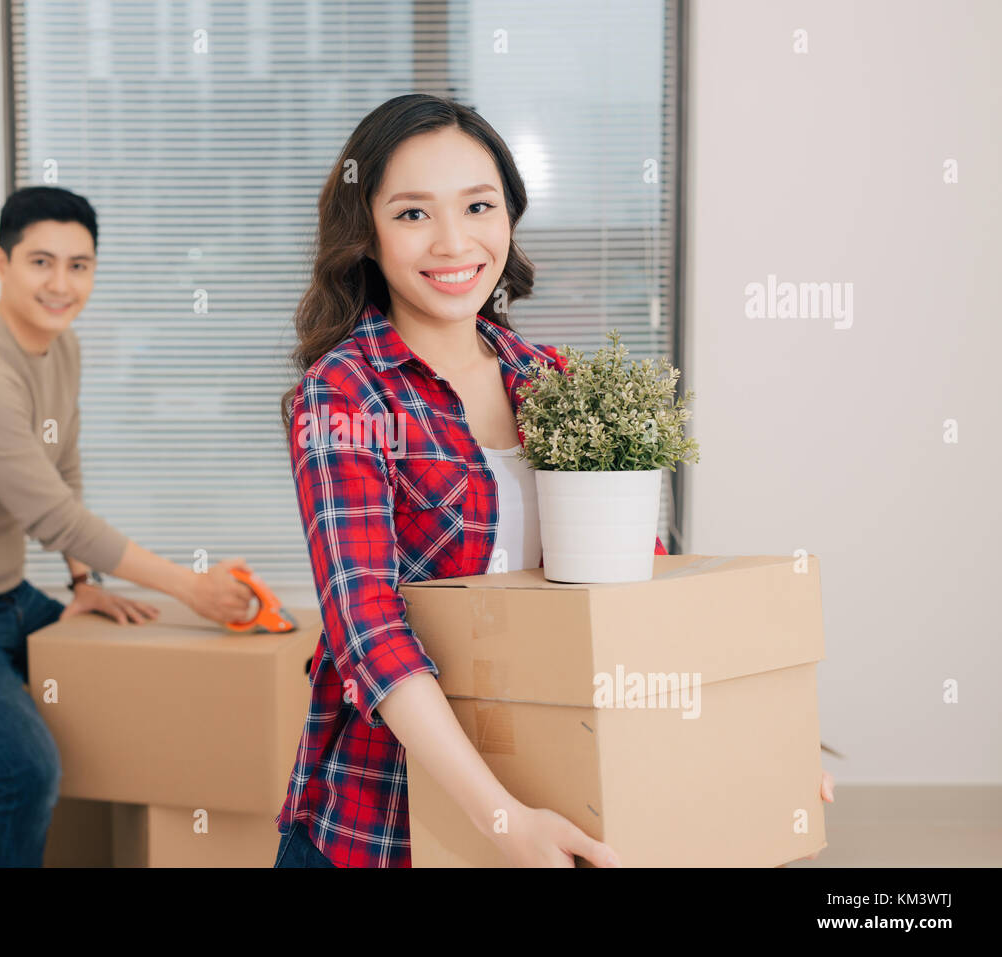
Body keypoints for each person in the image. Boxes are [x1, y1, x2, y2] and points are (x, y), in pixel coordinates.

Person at [273, 94, 834, 868]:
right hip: (391, 820)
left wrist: (758, 742)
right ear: (364, 231)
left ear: (510, 216)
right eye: (411, 214)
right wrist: (503, 819)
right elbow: (366, 630)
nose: (452, 241)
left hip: (566, 790)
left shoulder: (552, 382)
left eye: (479, 205)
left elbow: (643, 590)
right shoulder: (345, 395)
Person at [0, 186, 255, 867]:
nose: (61, 283)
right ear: (0, 262)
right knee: (31, 767)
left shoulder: (60, 347)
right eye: (42, 262)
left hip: (4, 597)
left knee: (121, 689)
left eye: (80, 265)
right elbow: (55, 514)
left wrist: (83, 582)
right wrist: (190, 587)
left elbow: (61, 465)